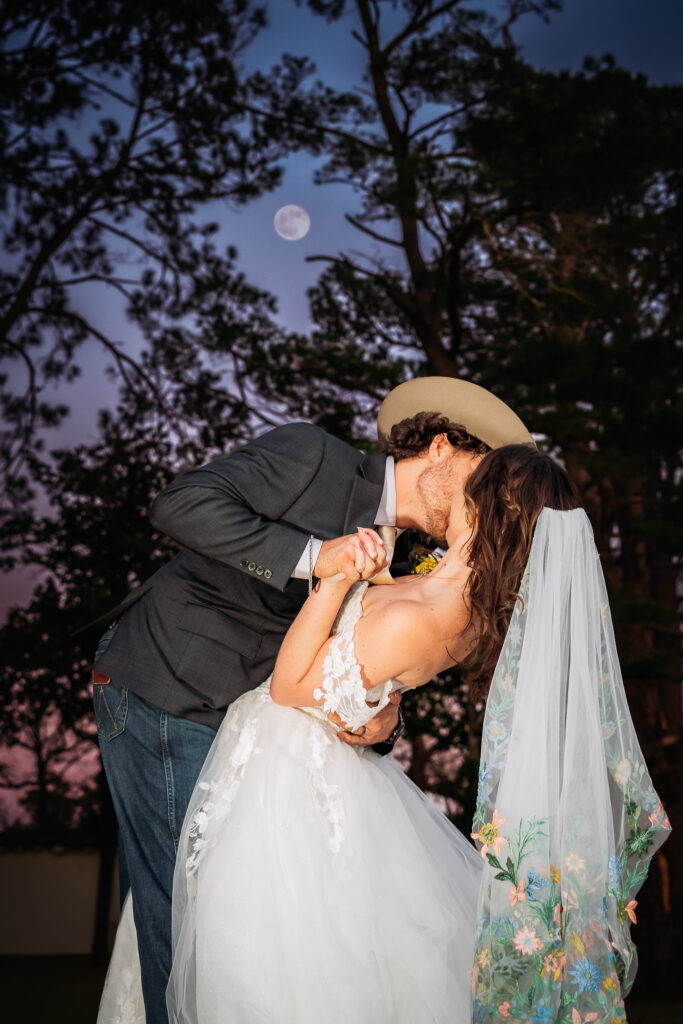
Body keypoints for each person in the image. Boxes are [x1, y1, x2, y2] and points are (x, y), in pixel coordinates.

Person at [91, 377, 534, 1024]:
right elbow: (180, 503)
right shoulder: (314, 457)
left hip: (255, 739)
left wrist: (383, 715)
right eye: (479, 473)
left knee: (204, 923)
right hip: (171, 686)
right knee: (185, 911)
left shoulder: (421, 558)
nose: (482, 498)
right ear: (440, 446)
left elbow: (364, 656)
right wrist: (314, 556)